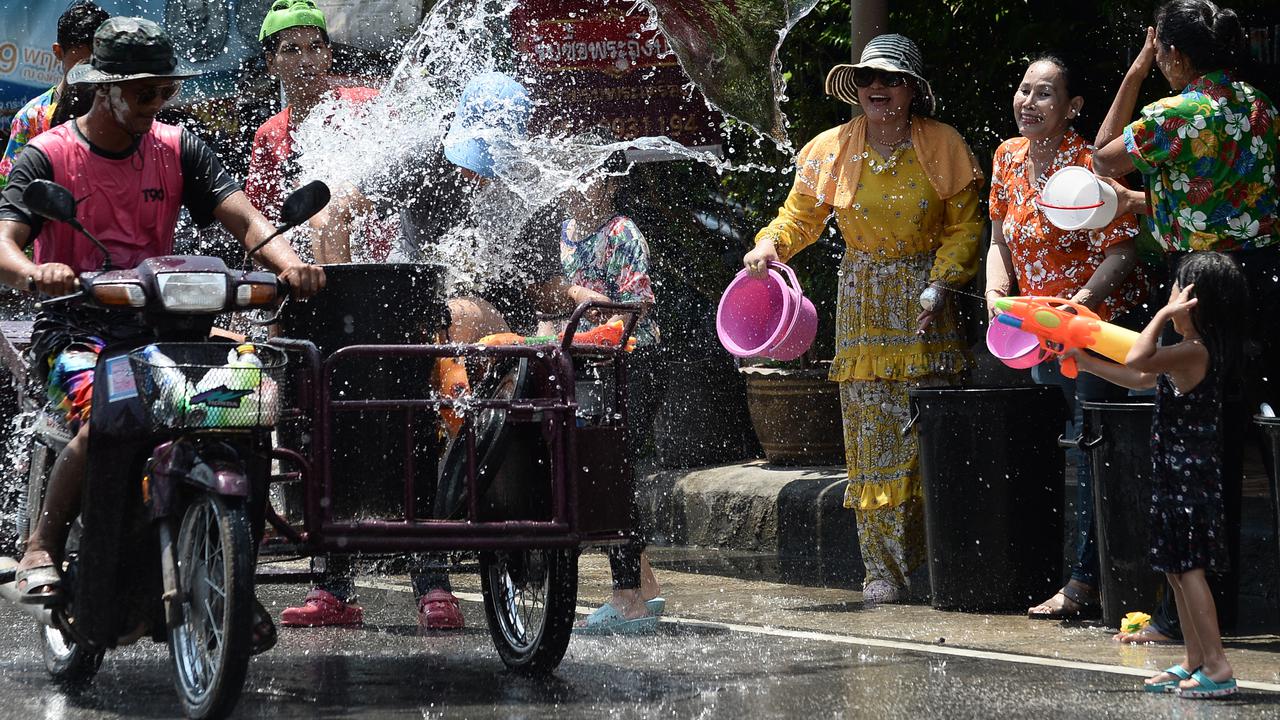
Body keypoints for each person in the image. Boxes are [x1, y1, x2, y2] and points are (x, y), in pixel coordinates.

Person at [0, 18, 325, 610]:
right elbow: (5, 241)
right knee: (106, 419)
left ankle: (232, 573)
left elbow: (248, 221)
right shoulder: (47, 155)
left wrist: (290, 266)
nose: (157, 103)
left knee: (249, 406)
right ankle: (41, 545)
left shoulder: (178, 148)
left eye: (164, 91)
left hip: (169, 330)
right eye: (144, 91)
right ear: (105, 89)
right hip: (76, 330)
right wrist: (32, 273)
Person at [279, 70, 610, 630]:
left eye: (490, 163)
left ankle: (434, 575)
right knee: (369, 421)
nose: (476, 176)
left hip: (487, 325)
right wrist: (337, 302)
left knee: (457, 399)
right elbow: (332, 212)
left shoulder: (530, 187)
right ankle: (334, 584)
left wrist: (577, 294)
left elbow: (535, 286)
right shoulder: (419, 158)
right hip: (418, 315)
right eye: (470, 159)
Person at [744, 34, 983, 605]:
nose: (878, 87)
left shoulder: (945, 144)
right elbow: (798, 218)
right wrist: (770, 245)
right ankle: (881, 572)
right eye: (868, 79)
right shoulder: (830, 148)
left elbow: (966, 227)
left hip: (927, 302)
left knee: (922, 432)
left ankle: (935, 568)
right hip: (864, 303)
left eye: (891, 79)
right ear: (855, 87)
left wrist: (942, 282)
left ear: (912, 91)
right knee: (871, 441)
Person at [1092, 0, 1279, 643]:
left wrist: (1136, 73)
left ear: (1173, 53)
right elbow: (1218, 195)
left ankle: (1193, 624)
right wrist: (1148, 201)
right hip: (1261, 283)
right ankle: (1216, 616)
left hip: (1199, 286)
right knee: (1247, 444)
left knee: (1197, 449)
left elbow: (1102, 158)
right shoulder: (1260, 107)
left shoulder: (1177, 112)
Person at [985, 54, 1152, 619]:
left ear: (1072, 107)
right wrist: (994, 292)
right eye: (1023, 89)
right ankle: (1076, 572)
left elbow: (1125, 248)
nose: (1028, 103)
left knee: (1092, 451)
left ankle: (1085, 583)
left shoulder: (1092, 166)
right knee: (1060, 452)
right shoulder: (1007, 158)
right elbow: (998, 240)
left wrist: (1081, 303)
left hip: (1092, 333)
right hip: (1033, 332)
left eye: (1044, 94)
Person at [1067, 251, 1246, 698]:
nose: (1167, 299)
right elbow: (1140, 378)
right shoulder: (1185, 355)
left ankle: (1218, 665)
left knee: (1189, 571)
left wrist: (1163, 314)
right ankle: (1193, 658)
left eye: (1175, 292)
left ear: (1192, 305)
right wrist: (1086, 363)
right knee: (1174, 570)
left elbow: (1140, 356)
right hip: (1175, 479)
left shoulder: (1195, 352)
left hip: (1191, 484)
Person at [553, 148, 666, 634]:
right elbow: (558, 288)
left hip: (633, 360)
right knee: (598, 467)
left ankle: (627, 597)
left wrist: (586, 300)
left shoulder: (623, 232)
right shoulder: (566, 228)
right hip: (592, 364)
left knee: (610, 472)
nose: (581, 186)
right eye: (573, 175)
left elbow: (636, 306)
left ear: (611, 184)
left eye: (591, 177)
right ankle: (646, 589)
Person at [246, 0, 391, 262]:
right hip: (310, 272)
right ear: (271, 63)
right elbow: (259, 224)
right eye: (291, 50)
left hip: (383, 260)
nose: (305, 60)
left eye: (315, 48)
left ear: (329, 54)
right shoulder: (268, 135)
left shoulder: (368, 106)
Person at [0, 1, 109, 189]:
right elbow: (9, 187)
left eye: (97, 62)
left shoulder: (120, 109)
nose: (90, 71)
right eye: (81, 63)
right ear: (58, 52)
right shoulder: (32, 118)